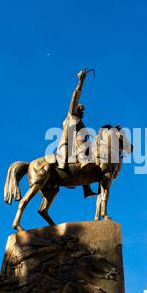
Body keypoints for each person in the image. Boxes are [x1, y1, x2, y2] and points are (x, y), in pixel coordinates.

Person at [56, 69, 97, 198]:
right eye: (82, 109)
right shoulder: (72, 114)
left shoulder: (80, 121)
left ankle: (87, 188)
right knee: (84, 144)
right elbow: (75, 96)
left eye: (84, 110)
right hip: (71, 145)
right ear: (76, 109)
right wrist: (81, 81)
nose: (83, 112)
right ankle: (84, 161)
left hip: (81, 144)